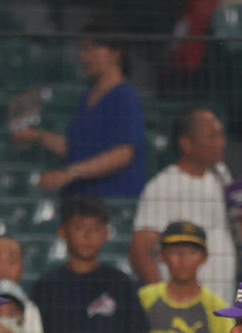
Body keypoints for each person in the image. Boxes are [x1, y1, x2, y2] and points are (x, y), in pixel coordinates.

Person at [14, 18, 146, 201]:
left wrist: (70, 173)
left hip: (113, 201)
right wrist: (38, 136)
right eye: (82, 49)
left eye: (91, 48)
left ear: (115, 53)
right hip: (81, 199)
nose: (84, 56)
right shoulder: (86, 97)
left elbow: (123, 154)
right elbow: (77, 149)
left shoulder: (125, 96)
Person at [34, 196, 146, 333]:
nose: (87, 236)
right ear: (62, 232)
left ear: (105, 234)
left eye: (95, 229)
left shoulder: (120, 283)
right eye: (79, 228)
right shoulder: (46, 287)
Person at [131, 107, 236, 303]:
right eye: (212, 137)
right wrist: (161, 301)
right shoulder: (162, 186)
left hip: (221, 304)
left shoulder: (221, 174)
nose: (221, 143)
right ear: (187, 144)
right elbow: (140, 249)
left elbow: (228, 229)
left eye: (221, 135)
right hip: (181, 308)